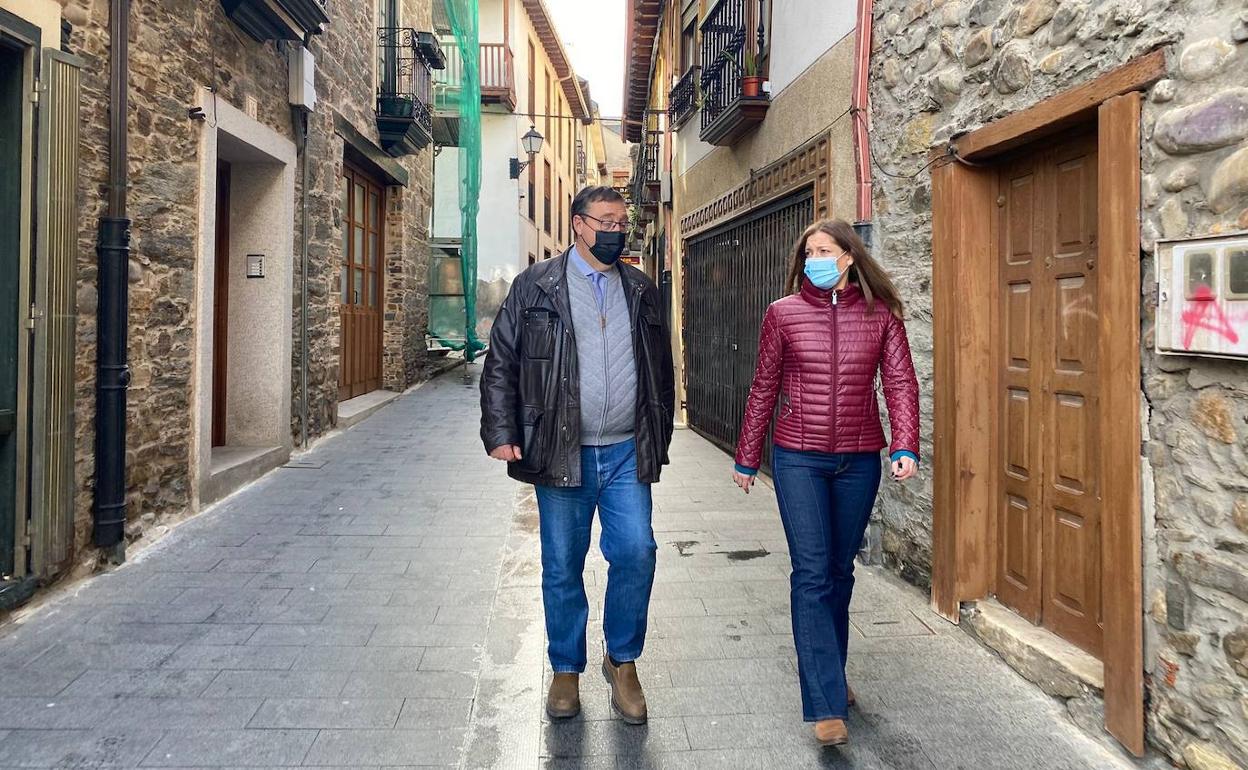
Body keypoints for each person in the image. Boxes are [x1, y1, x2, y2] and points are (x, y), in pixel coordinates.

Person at [479, 185, 675, 726]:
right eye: (606, 220)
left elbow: (661, 364)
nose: (617, 230)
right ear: (578, 225)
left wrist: (659, 428)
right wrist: (500, 430)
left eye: (622, 221)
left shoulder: (639, 288)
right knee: (561, 565)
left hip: (623, 453)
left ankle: (623, 660)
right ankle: (566, 668)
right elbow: (502, 363)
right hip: (561, 449)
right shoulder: (534, 287)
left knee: (637, 552)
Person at [731, 219, 920, 747]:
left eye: (825, 250)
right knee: (812, 574)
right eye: (808, 250)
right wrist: (748, 456)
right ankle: (824, 704)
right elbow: (764, 383)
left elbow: (901, 381)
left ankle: (831, 677)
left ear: (848, 258)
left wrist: (905, 444)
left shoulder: (881, 315)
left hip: (859, 459)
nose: (815, 257)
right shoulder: (783, 314)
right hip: (799, 459)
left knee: (840, 572)